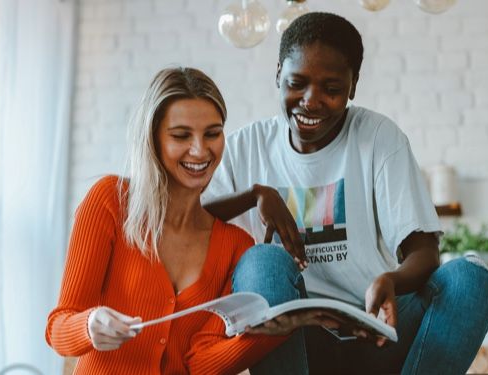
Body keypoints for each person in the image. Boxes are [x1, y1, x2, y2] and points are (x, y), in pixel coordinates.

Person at [203, 12, 488, 374]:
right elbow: (185, 222)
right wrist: (253, 196)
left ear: (353, 86)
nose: (311, 102)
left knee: (470, 277)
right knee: (261, 260)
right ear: (278, 73)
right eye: (297, 83)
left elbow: (424, 252)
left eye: (331, 89)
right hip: (296, 344)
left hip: (375, 329)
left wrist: (391, 279)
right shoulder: (245, 148)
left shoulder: (378, 138)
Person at [45, 67, 330, 374]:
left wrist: (276, 331)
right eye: (181, 135)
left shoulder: (235, 245)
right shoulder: (110, 202)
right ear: (153, 139)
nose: (200, 150)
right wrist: (88, 325)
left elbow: (200, 363)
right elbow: (58, 328)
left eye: (212, 133)